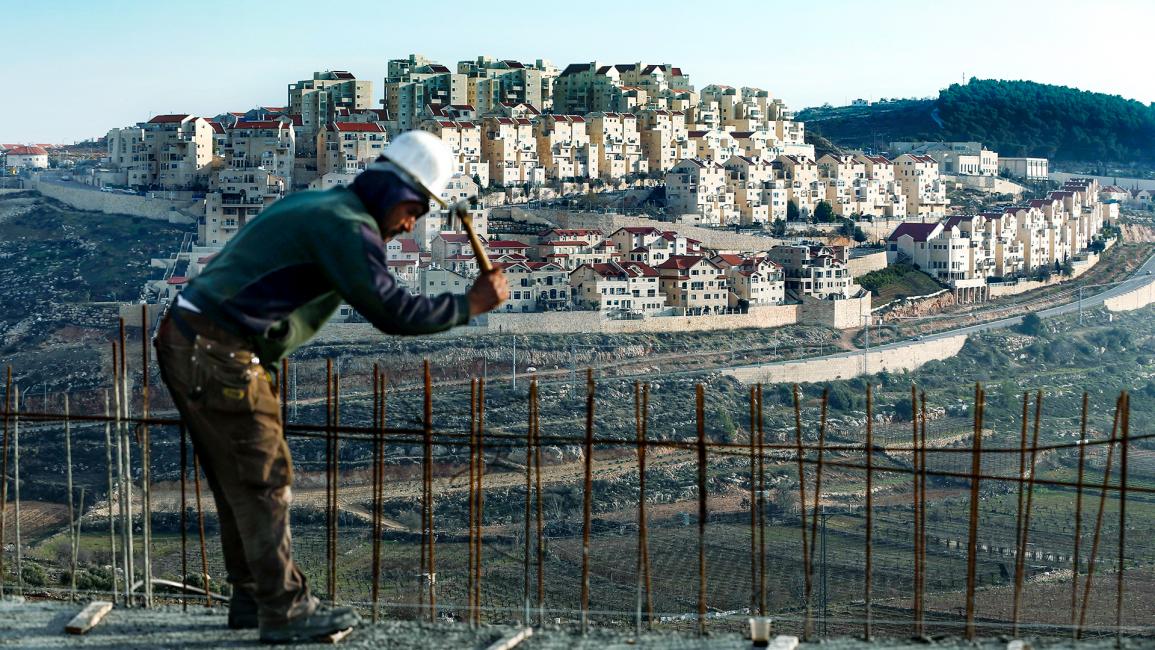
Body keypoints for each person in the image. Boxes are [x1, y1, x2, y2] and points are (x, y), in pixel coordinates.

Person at [154, 130, 508, 643]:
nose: (411, 223)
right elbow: (392, 311)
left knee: (239, 478)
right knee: (264, 476)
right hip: (218, 351)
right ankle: (285, 610)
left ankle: (254, 598)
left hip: (193, 340)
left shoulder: (324, 206)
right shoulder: (347, 226)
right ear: (394, 191)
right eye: (413, 208)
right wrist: (469, 304)